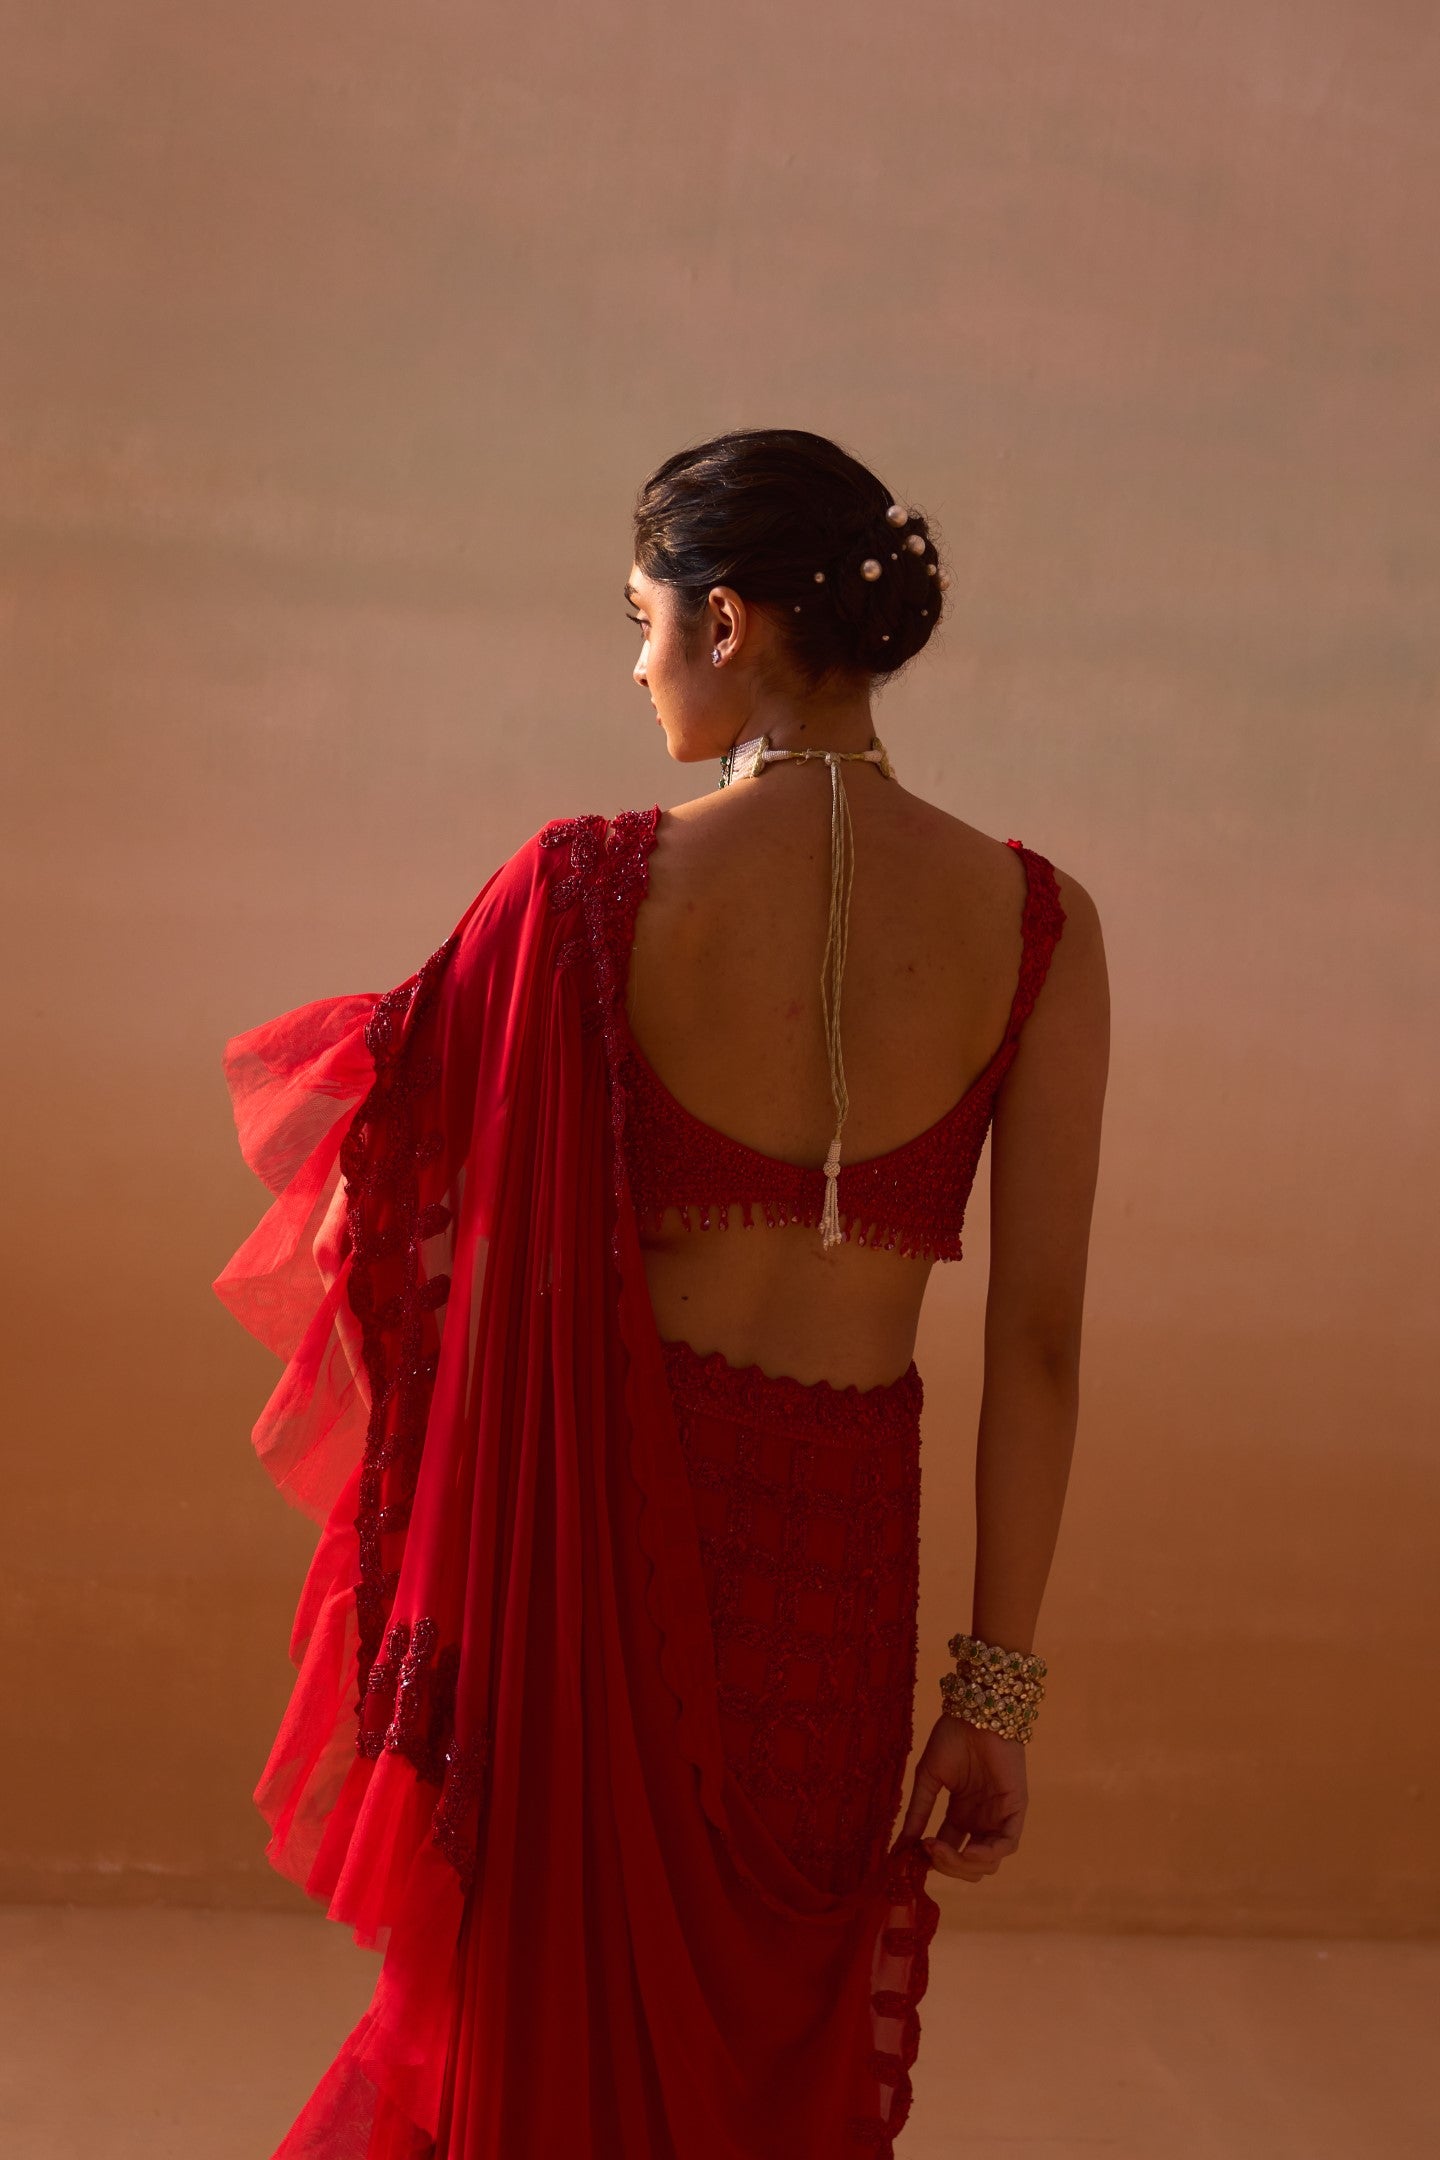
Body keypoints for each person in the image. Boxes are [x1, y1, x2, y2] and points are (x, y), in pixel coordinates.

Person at [213, 427, 1110, 2160]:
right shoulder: (1042, 926)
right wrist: (992, 1692)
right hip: (835, 1580)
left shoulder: (584, 891)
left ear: (727, 621)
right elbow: (1042, 1339)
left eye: (640, 619)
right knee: (771, 2054)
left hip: (601, 1566)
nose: (632, 666)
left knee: (547, 2034)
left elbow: (377, 1177)